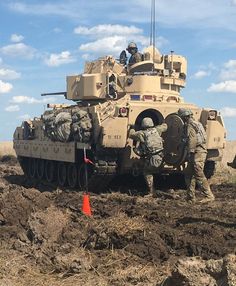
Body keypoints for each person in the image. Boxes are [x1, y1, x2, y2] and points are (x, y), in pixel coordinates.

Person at [178, 108, 215, 203]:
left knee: (198, 172)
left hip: (198, 151)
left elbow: (192, 139)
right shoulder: (196, 123)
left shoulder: (190, 125)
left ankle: (209, 196)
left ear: (184, 117)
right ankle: (190, 197)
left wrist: (190, 151)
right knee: (188, 173)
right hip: (197, 150)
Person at [129, 117, 167, 196]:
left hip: (153, 158)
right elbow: (165, 127)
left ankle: (151, 191)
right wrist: (164, 122)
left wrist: (132, 127)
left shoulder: (141, 133)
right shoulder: (157, 130)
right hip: (162, 157)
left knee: (147, 171)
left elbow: (131, 134)